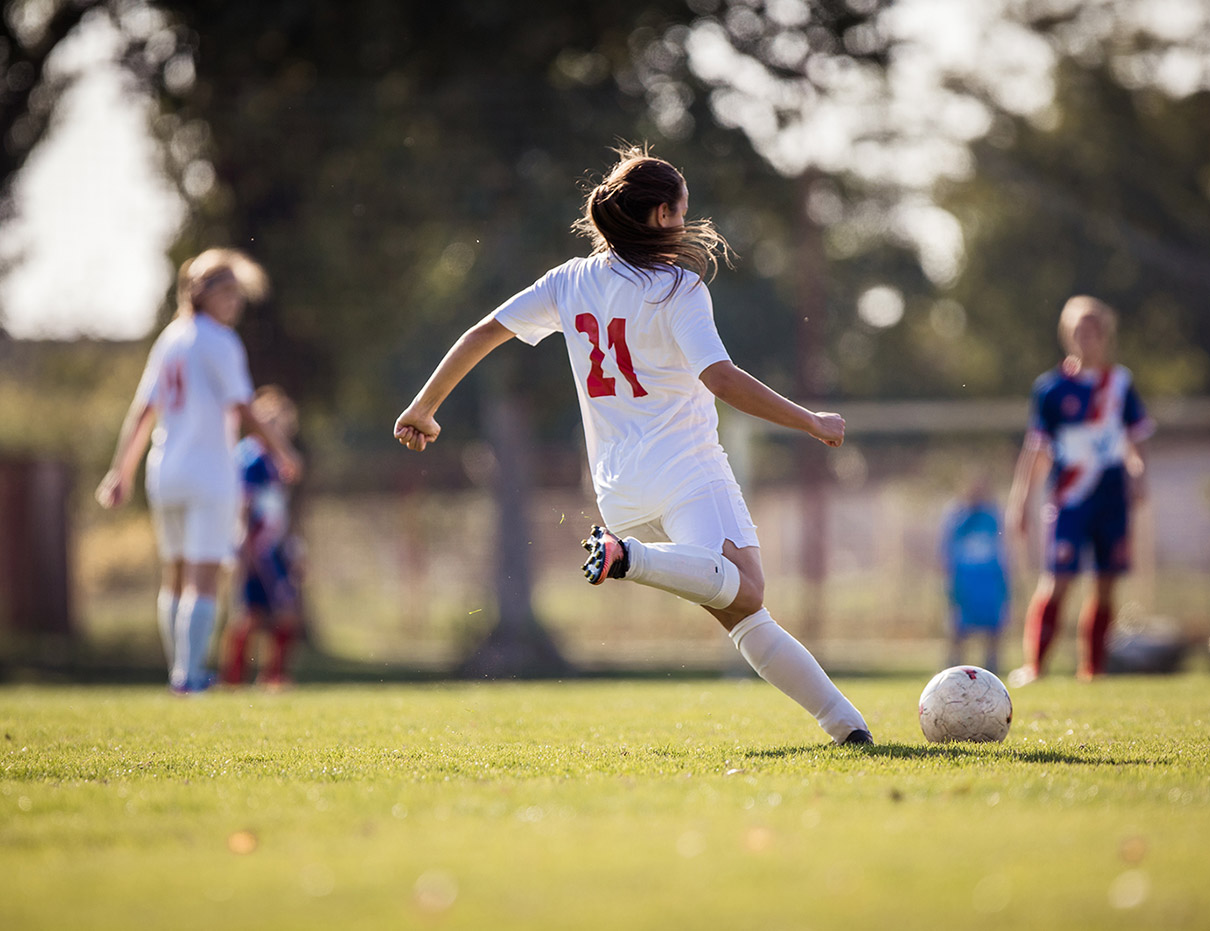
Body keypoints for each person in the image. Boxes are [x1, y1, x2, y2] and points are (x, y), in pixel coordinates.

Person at [394, 145, 873, 745]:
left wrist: (423, 406)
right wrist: (811, 421)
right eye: (681, 211)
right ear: (658, 216)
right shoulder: (678, 288)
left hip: (618, 486)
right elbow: (719, 378)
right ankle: (629, 558)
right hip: (686, 469)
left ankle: (847, 727)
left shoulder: (568, 281)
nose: (685, 223)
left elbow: (484, 332)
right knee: (746, 586)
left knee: (743, 611)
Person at [97, 248, 301, 694]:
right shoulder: (220, 341)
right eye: (225, 292)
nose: (234, 302)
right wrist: (284, 451)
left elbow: (142, 411)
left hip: (164, 470)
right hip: (209, 472)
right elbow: (245, 407)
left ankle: (179, 671)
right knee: (202, 575)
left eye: (237, 294)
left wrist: (122, 471)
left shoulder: (170, 339)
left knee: (174, 573)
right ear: (199, 292)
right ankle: (188, 677)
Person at [1005, 295, 1153, 686]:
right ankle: (1034, 667)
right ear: (1067, 335)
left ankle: (1093, 669)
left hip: (1111, 498)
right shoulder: (1051, 389)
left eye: (1093, 331)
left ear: (1105, 335)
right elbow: (1036, 449)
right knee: (1058, 581)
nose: (1086, 338)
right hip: (1069, 500)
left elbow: (1136, 440)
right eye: (1078, 331)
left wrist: (1138, 473)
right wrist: (1020, 500)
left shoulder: (1119, 383)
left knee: (1105, 584)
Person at [222, 386, 305, 689]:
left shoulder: (276, 461)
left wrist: (294, 546)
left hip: (274, 547)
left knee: (282, 613)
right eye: (270, 422)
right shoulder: (250, 457)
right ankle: (234, 679)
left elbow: (279, 510)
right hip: (256, 548)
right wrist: (243, 547)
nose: (277, 429)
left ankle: (272, 676)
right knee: (251, 615)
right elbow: (244, 504)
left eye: (281, 423)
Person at [938, 473, 1008, 672]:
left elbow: (1001, 550)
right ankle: (953, 667)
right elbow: (947, 549)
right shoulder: (957, 515)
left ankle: (992, 667)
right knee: (958, 627)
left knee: (993, 627)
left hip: (989, 581)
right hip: (964, 581)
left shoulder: (992, 516)